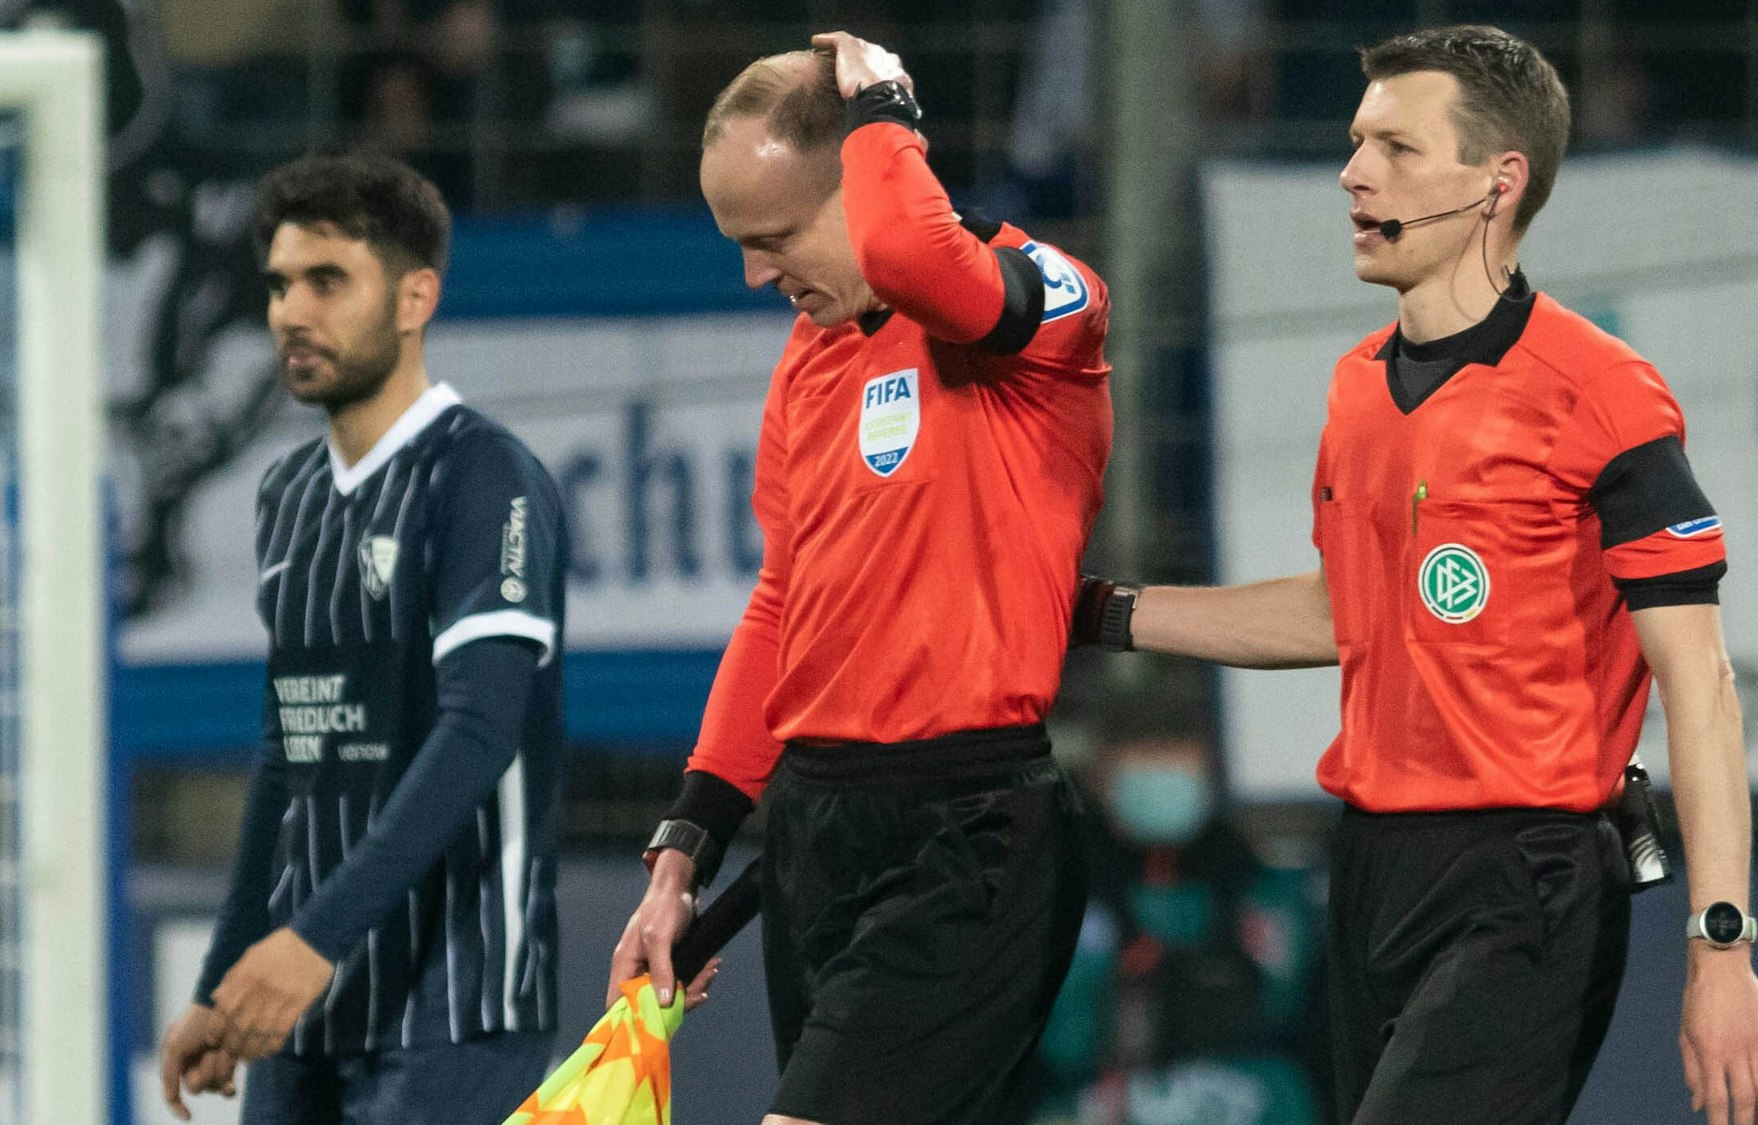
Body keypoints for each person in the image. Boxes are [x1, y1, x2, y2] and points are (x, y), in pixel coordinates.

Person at [1073, 25, 1758, 1125]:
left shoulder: (1601, 393)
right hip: (1368, 871)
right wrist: (1100, 615)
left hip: (1527, 880)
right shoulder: (1356, 387)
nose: (1353, 173)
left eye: (1395, 148)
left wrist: (1719, 945)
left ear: (1496, 184)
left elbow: (1701, 688)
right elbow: (1343, 612)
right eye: (1356, 144)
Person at [604, 31, 1115, 1125]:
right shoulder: (810, 361)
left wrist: (885, 102)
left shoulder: (1045, 307)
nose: (754, 273)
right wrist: (681, 851)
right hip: (817, 832)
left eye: (775, 235)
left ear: (870, 174)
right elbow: (783, 604)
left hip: (968, 838)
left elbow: (923, 261)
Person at [156, 150, 569, 1123]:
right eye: (278, 284)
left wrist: (309, 941)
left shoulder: (483, 478)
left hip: (459, 1003)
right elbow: (285, 754)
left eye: (326, 280)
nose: (289, 311)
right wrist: (226, 979)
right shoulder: (286, 495)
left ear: (415, 296)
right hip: (312, 1004)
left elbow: (479, 732)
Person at [1031, 697, 1329, 1125]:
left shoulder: (1256, 883)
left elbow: (1293, 1009)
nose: (1164, 773)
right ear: (1102, 775)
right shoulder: (1061, 888)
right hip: (1092, 1099)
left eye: (1177, 756)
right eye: (1146, 756)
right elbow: (1052, 1035)